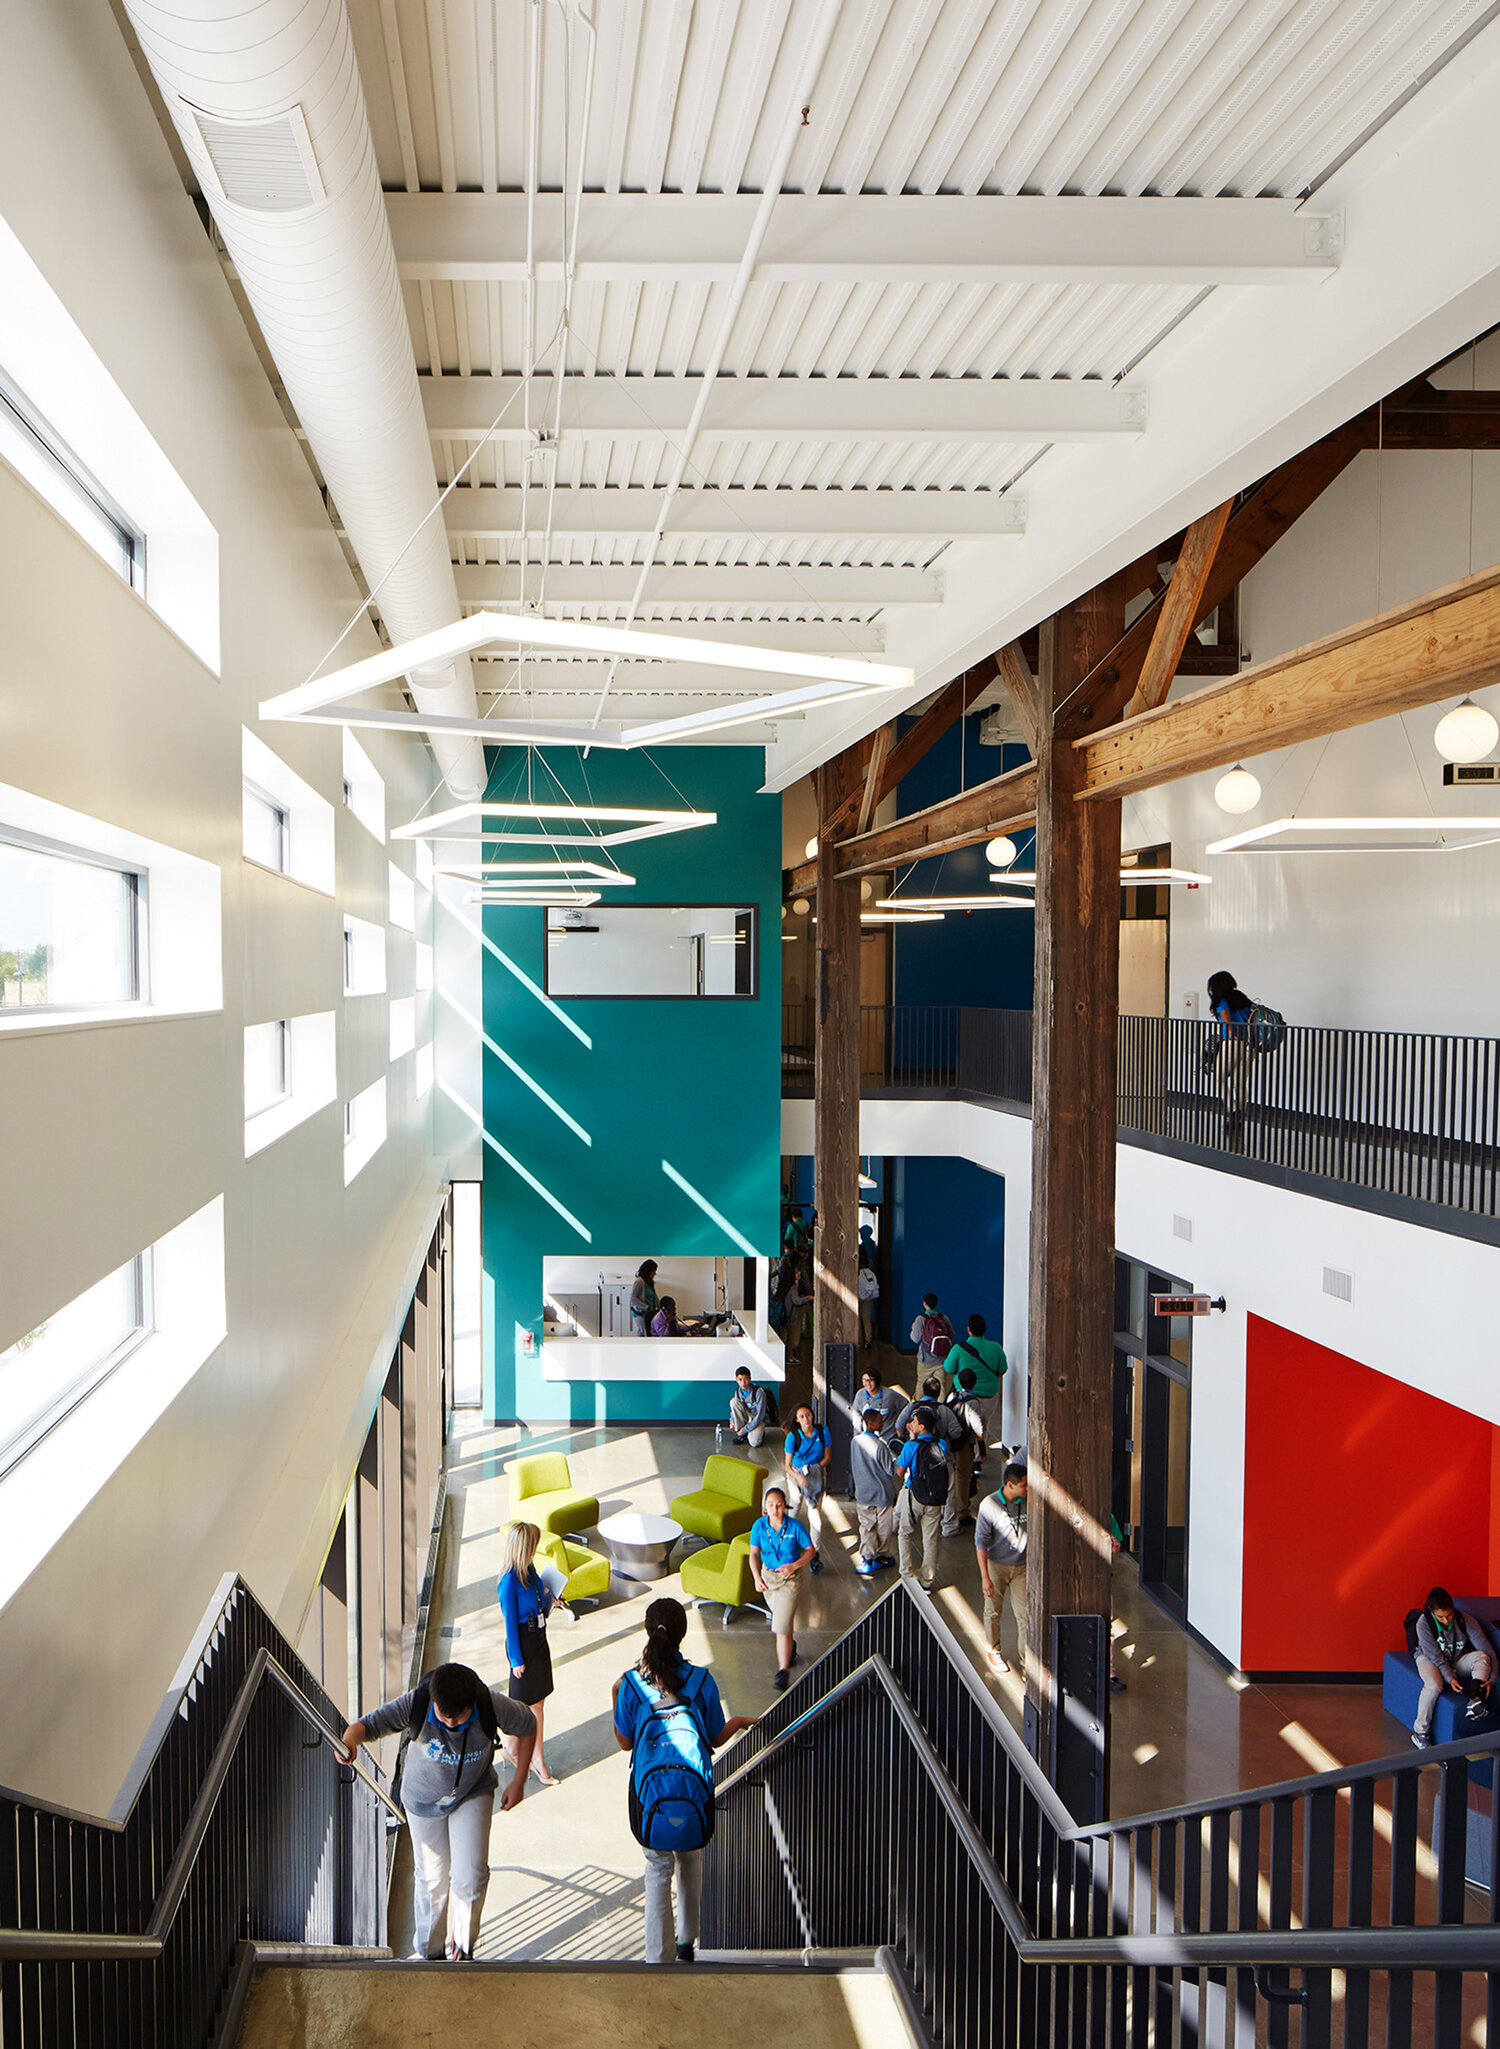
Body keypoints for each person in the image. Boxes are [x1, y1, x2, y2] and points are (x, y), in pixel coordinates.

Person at [341, 1661, 535, 1961]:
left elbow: (528, 1725)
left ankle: (463, 1945)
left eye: (460, 1718)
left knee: (471, 1875)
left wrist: (519, 1780)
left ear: (472, 1703)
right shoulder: (417, 1703)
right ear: (434, 1702)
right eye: (445, 1717)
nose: (452, 1724)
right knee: (432, 1880)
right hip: (422, 1801)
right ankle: (431, 1952)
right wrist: (350, 1740)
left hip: (473, 1792)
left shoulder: (490, 1704)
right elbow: (369, 1725)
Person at [612, 1597, 757, 1965]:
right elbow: (711, 1737)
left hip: (651, 1797)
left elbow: (626, 1741)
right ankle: (686, 1942)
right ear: (683, 1635)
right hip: (693, 1793)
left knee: (658, 1867)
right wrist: (738, 1721)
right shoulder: (702, 1680)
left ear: (648, 1631)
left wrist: (616, 1695)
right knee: (690, 1858)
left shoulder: (630, 1684)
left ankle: (656, 1959)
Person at [496, 1520, 559, 1785]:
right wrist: (516, 1660)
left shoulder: (530, 1571)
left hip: (538, 1640)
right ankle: (537, 1761)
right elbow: (510, 1625)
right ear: (524, 1548)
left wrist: (550, 1601)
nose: (535, 1550)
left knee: (534, 1704)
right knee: (534, 1708)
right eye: (532, 1546)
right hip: (523, 1645)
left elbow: (537, 1605)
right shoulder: (509, 1583)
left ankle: (511, 1748)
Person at [1411, 1586, 1496, 1748]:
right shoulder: (1423, 1624)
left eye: (1449, 1615)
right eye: (1440, 1617)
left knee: (1482, 1657)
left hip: (1455, 1659)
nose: (1446, 1620)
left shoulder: (1465, 1620)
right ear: (1431, 1612)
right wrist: (1451, 1678)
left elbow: (1489, 1653)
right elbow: (1436, 1657)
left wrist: (1491, 1679)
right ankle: (1420, 1732)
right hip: (1429, 1659)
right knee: (1434, 1685)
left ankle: (1475, 1699)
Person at [748, 1486, 814, 1691]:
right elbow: (753, 1555)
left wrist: (794, 1565)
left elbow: (810, 1551)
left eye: (779, 1505)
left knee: (780, 1627)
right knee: (783, 1621)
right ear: (765, 1508)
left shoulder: (795, 1527)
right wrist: (756, 1577)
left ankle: (782, 1671)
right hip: (769, 1579)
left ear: (785, 1506)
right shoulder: (759, 1526)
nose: (775, 1509)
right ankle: (789, 1648)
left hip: (790, 1580)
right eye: (771, 1505)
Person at [975, 1464, 1029, 1676]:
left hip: (1022, 1567)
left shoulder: (1028, 1501)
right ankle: (993, 1649)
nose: (1027, 1489)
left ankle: (1027, 1663)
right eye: (1023, 1485)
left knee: (1025, 1616)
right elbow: (981, 1543)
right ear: (1010, 1485)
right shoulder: (989, 1505)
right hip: (997, 1565)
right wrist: (985, 1577)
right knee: (993, 1611)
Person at [895, 1407, 948, 1591]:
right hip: (935, 1498)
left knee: (905, 1533)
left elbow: (900, 1471)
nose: (912, 1423)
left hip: (914, 1495)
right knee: (930, 1539)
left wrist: (911, 1440)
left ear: (922, 1426)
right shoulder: (941, 1444)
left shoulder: (911, 1446)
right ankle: (927, 1581)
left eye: (915, 1421)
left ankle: (907, 1574)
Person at [1203, 970, 1257, 1147]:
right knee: (1239, 1082)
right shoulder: (1242, 998)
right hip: (1250, 1045)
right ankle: (1240, 1113)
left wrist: (1232, 1032)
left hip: (1232, 1044)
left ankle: (1233, 1109)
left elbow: (1225, 1015)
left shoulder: (1222, 1001)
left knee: (1219, 1078)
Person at [945, 1313, 1007, 1455]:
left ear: (969, 1330)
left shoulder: (958, 1349)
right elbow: (1002, 1369)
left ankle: (970, 1456)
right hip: (989, 1395)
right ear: (985, 1330)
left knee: (965, 1426)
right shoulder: (996, 1348)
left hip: (965, 1397)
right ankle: (979, 1454)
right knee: (983, 1425)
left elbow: (949, 1368)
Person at [851, 1409, 899, 1577]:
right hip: (882, 1494)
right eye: (879, 1421)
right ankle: (881, 1555)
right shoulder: (880, 1446)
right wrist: (898, 1459)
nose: (882, 1423)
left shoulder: (855, 1441)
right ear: (871, 1423)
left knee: (867, 1526)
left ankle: (867, 1558)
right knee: (884, 1527)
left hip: (863, 1493)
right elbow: (891, 1470)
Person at [783, 1403, 832, 1567]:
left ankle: (814, 1553)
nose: (806, 1419)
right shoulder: (793, 1437)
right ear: (797, 1420)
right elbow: (787, 1465)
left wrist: (814, 1470)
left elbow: (827, 1457)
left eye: (808, 1415)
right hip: (796, 1474)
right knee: (795, 1503)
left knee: (815, 1514)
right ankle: (786, 1537)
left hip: (816, 1474)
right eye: (802, 1417)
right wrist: (799, 1476)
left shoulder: (823, 1432)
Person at [942, 1368, 987, 1533]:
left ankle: (946, 1509)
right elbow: (979, 1430)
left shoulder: (952, 1396)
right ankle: (962, 1511)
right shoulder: (973, 1402)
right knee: (963, 1478)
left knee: (949, 1478)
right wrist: (981, 1451)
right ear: (974, 1383)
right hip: (964, 1445)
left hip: (949, 1442)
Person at [909, 1293, 955, 1388]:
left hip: (926, 1360)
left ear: (924, 1304)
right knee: (941, 1386)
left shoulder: (921, 1319)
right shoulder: (944, 1318)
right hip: (941, 1360)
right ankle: (940, 1403)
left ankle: (919, 1402)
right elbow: (952, 1336)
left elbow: (915, 1339)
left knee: (922, 1385)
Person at [727, 1363, 771, 1448]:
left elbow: (760, 1416)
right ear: (736, 1380)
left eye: (745, 1379)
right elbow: (734, 1410)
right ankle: (741, 1435)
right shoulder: (738, 1392)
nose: (743, 1382)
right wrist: (732, 1421)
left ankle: (756, 1433)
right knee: (733, 1401)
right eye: (740, 1379)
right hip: (746, 1417)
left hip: (757, 1419)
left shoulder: (758, 1392)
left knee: (755, 1443)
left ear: (750, 1379)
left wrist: (745, 1429)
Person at [853, 1366, 904, 1439]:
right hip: (868, 1439)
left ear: (876, 1380)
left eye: (871, 1380)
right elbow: (856, 1415)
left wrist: (900, 1427)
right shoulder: (860, 1394)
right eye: (865, 1380)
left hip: (888, 1438)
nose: (868, 1383)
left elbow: (906, 1408)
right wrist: (857, 1435)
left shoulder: (890, 1394)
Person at [781, 1267, 813, 1357]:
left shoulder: (786, 1285)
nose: (799, 1273)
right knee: (792, 1336)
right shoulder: (793, 1287)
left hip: (786, 1314)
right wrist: (809, 1298)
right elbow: (796, 1301)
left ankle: (785, 1356)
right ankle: (789, 1356)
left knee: (785, 1335)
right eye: (796, 1272)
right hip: (792, 1315)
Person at [630, 1260, 659, 1336]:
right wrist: (647, 1307)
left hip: (648, 1314)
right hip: (641, 1314)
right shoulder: (640, 1281)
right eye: (654, 1271)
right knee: (645, 1334)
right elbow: (633, 1299)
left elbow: (654, 1297)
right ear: (648, 1271)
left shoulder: (649, 1282)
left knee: (643, 1334)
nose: (655, 1273)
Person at [857, 1260, 880, 1349]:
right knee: (866, 1318)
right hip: (868, 1298)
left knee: (857, 1318)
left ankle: (859, 1341)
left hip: (858, 1297)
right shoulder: (870, 1273)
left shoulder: (857, 1273)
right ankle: (868, 1339)